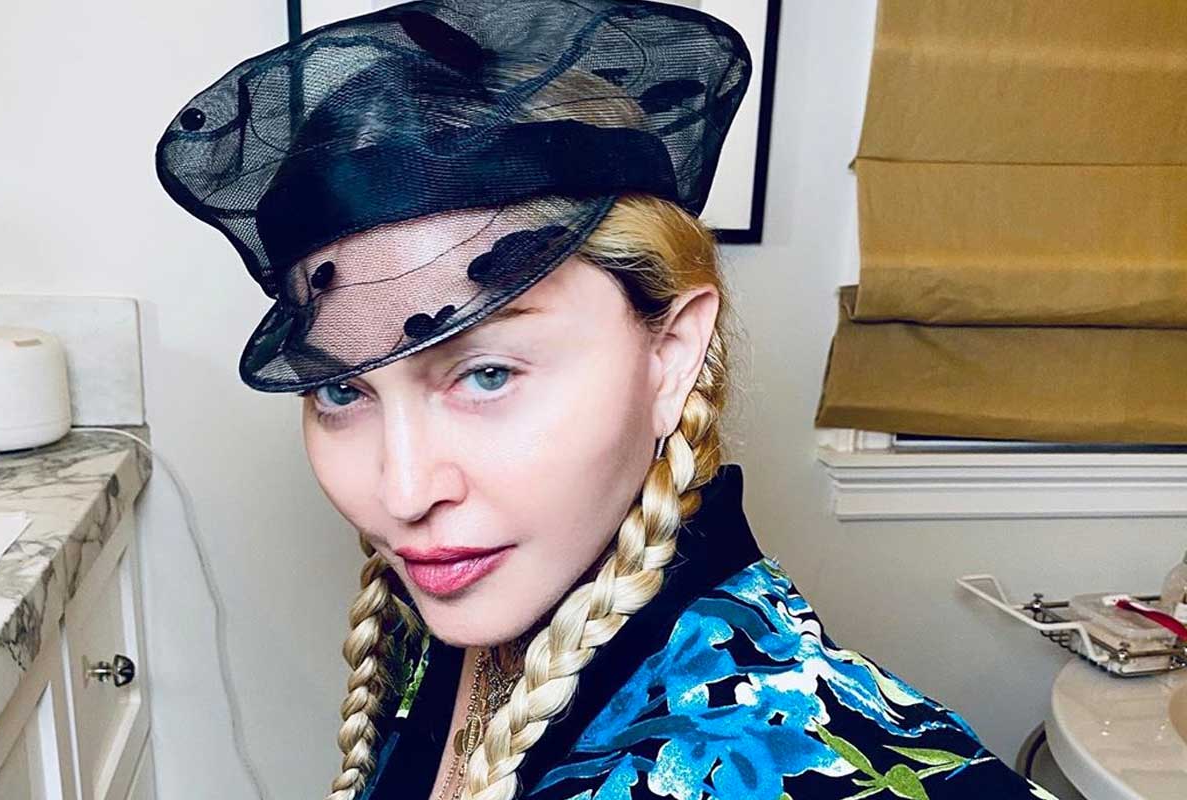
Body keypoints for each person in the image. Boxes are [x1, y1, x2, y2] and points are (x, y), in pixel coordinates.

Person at [154, 2, 1060, 799]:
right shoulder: (468, 594)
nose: (402, 492)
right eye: (341, 388)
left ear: (670, 353)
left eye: (487, 373)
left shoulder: (776, 757)